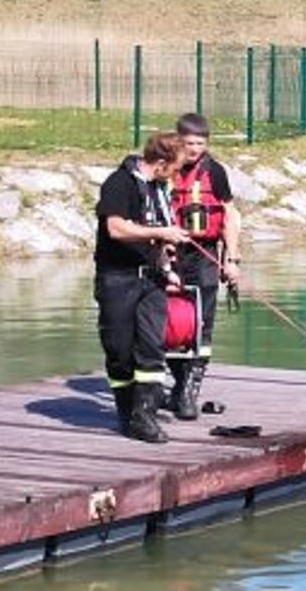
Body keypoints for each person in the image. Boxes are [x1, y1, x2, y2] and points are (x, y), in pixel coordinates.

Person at [94, 133, 190, 444]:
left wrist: (167, 265)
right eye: (175, 169)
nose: (177, 176)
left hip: (152, 279)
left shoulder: (160, 190)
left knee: (152, 347)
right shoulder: (119, 183)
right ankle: (126, 411)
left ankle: (144, 416)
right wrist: (161, 231)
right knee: (119, 351)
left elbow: (156, 240)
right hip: (117, 277)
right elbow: (116, 228)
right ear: (160, 164)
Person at [167, 114, 240, 421]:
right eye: (189, 143)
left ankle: (188, 390)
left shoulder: (215, 172)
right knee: (169, 325)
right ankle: (178, 382)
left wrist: (231, 259)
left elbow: (230, 216)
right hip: (170, 253)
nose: (195, 149)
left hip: (205, 254)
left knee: (202, 326)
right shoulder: (165, 168)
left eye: (200, 143)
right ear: (178, 141)